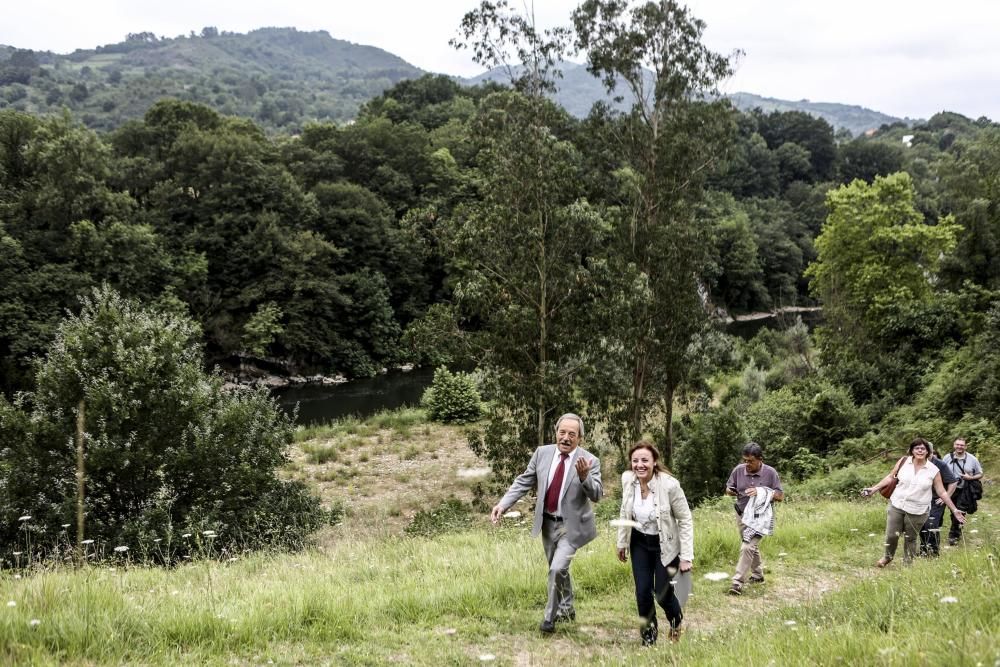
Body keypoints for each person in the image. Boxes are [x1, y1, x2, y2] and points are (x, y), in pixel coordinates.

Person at [490, 413, 603, 634]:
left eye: (572, 434)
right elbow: (524, 480)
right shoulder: (542, 453)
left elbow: (597, 494)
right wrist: (503, 505)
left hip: (572, 526)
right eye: (562, 432)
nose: (566, 438)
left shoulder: (590, 461)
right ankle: (568, 608)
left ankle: (550, 619)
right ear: (556, 432)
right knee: (558, 569)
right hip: (547, 523)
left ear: (580, 438)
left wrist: (584, 477)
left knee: (557, 568)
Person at [616, 441, 693, 646]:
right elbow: (624, 512)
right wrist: (622, 543)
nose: (639, 465)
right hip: (640, 543)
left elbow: (685, 519)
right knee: (642, 593)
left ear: (654, 462)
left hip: (665, 545)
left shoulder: (669, 485)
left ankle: (676, 621)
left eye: (644, 460)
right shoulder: (627, 480)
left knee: (662, 593)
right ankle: (648, 639)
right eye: (635, 460)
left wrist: (686, 556)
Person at [862, 437, 966, 566]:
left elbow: (942, 491)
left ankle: (908, 563)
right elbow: (891, 477)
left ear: (928, 452)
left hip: (918, 510)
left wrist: (954, 509)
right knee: (891, 535)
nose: (920, 450)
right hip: (897, 504)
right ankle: (887, 557)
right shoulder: (903, 461)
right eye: (917, 448)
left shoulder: (934, 470)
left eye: (923, 448)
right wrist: (874, 489)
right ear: (912, 450)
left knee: (910, 538)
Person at [724, 442, 783, 595]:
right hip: (742, 515)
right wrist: (731, 491)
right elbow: (728, 488)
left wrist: (761, 492)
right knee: (751, 547)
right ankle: (757, 575)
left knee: (747, 546)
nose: (747, 464)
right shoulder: (738, 470)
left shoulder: (771, 473)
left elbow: (780, 496)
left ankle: (736, 583)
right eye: (745, 460)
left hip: (760, 517)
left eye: (750, 461)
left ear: (760, 459)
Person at [942, 437, 984, 545]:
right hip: (949, 489)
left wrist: (970, 478)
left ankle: (954, 536)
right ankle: (955, 528)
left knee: (960, 511)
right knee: (953, 512)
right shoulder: (947, 457)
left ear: (965, 446)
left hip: (964, 489)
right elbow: (940, 470)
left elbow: (980, 473)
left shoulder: (972, 459)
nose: (959, 447)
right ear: (954, 445)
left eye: (962, 445)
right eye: (957, 444)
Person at [918, 442, 957, 557]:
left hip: (936, 500)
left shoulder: (940, 464)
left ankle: (934, 553)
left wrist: (946, 497)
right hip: (921, 499)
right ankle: (924, 550)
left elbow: (953, 482)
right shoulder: (918, 462)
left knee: (931, 525)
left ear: (930, 451)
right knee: (922, 525)